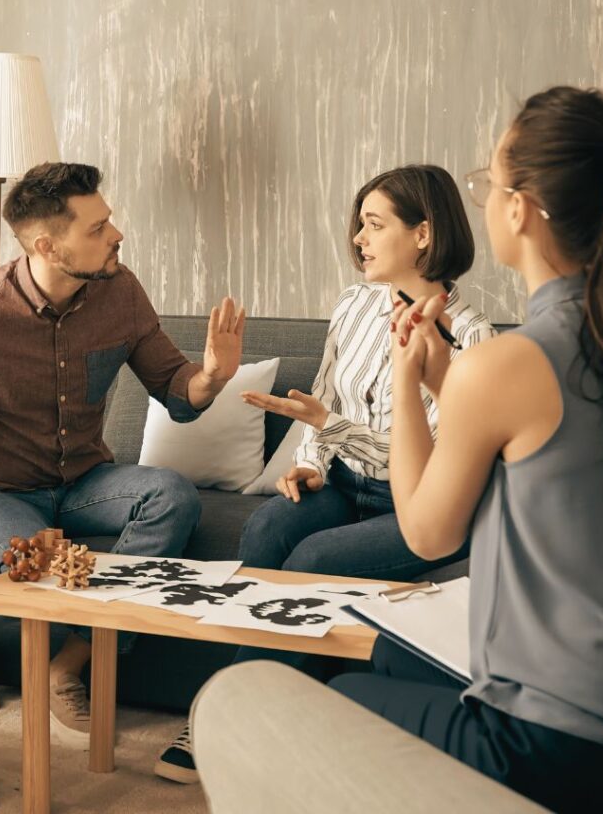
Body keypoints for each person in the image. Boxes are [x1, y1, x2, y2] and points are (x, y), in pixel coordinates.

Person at [328, 86, 603, 812]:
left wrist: (410, 382)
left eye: (488, 183)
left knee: (330, 701)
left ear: (521, 209)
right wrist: (445, 375)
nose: (485, 198)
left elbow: (427, 531)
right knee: (393, 652)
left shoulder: (509, 365)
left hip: (557, 753)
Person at [0, 162, 245, 747]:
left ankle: (67, 664)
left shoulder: (120, 291)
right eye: (98, 227)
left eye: (109, 221)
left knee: (171, 495)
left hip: (84, 481)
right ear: (48, 245)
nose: (117, 234)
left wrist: (210, 375)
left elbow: (178, 392)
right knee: (40, 560)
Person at [155, 164, 494, 784]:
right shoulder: (355, 303)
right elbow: (325, 392)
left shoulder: (471, 336)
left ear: (424, 233)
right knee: (265, 532)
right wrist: (310, 460)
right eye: (358, 224)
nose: (359, 239)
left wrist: (328, 426)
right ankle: (231, 708)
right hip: (345, 484)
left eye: (375, 224)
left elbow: (434, 462)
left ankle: (236, 723)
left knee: (310, 562)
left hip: (415, 508)